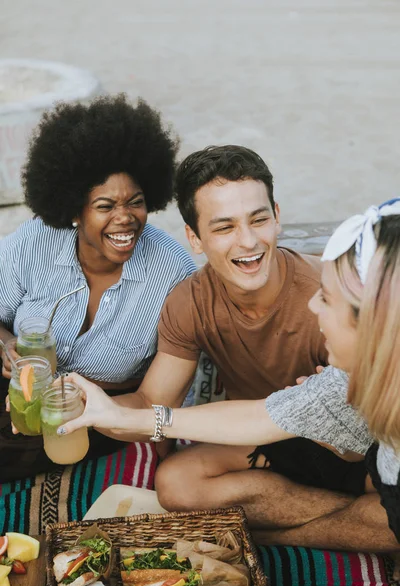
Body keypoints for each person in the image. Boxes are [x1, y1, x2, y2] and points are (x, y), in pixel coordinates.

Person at [56, 145, 371, 547]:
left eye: (259, 220)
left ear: (277, 215)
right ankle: (357, 523)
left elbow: (362, 432)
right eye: (224, 228)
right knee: (176, 485)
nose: (249, 242)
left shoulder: (329, 299)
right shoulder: (190, 301)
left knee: (387, 498)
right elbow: (153, 400)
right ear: (195, 238)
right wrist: (97, 408)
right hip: (262, 439)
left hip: (352, 447)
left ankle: (281, 531)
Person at [0, 96, 195, 499]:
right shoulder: (34, 242)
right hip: (19, 390)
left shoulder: (173, 272)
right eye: (105, 206)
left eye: (136, 202)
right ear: (74, 209)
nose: (125, 218)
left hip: (107, 412)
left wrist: (84, 406)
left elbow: (161, 396)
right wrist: (6, 346)